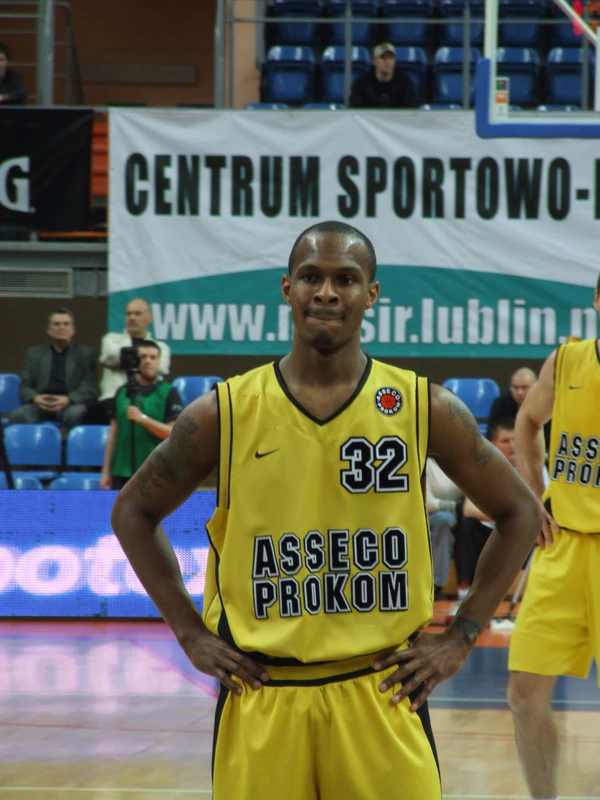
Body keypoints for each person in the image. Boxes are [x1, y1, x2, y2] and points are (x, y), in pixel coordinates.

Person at [111, 221, 540, 800]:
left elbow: (520, 512)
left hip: (382, 690)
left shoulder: (423, 406)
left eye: (346, 279)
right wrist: (189, 633)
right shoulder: (225, 411)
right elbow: (132, 513)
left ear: (372, 293)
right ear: (287, 288)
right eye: (311, 276)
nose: (327, 293)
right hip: (262, 693)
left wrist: (462, 635)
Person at [507, 277, 600, 800]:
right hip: (562, 546)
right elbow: (527, 421)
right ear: (597, 300)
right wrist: (532, 496)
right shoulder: (565, 362)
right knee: (523, 694)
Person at [450, 419, 521, 614]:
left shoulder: (532, 468)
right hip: (490, 531)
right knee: (468, 526)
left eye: (515, 440)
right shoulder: (483, 469)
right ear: (494, 444)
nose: (512, 445)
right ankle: (463, 596)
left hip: (520, 535)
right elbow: (468, 509)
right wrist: (506, 516)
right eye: (505, 441)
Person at [100, 341, 182, 491]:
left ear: (158, 362)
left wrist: (143, 419)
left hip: (155, 472)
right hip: (121, 472)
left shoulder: (169, 392)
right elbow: (113, 435)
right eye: (143, 357)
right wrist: (105, 472)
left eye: (153, 357)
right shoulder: (121, 392)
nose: (147, 361)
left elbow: (172, 433)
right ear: (135, 361)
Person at [85, 298, 171, 424]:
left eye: (137, 314)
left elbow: (160, 368)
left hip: (147, 402)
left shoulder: (162, 347)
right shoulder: (111, 340)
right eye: (129, 314)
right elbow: (110, 355)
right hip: (112, 400)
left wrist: (126, 358)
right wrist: (146, 359)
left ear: (149, 318)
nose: (132, 318)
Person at [9, 308, 96, 428]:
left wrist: (68, 399)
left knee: (76, 414)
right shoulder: (34, 353)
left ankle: (68, 441)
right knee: (18, 415)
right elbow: (25, 386)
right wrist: (35, 398)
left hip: (70, 404)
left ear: (73, 330)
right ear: (48, 330)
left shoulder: (85, 353)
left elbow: (88, 387)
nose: (61, 327)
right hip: (40, 404)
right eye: (56, 324)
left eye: (66, 324)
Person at [426, 458, 463, 600]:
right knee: (444, 519)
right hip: (428, 515)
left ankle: (469, 588)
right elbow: (428, 503)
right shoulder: (425, 462)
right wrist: (458, 507)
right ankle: (437, 583)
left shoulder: (464, 459)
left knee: (472, 523)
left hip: (462, 513)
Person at [349, 42, 421, 109]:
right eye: (383, 58)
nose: (387, 62)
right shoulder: (362, 82)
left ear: (394, 61)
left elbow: (411, 109)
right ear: (374, 61)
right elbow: (354, 109)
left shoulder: (404, 81)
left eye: (390, 57)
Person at [485, 367, 537, 439]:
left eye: (524, 387)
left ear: (536, 387)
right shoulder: (501, 404)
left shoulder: (545, 404)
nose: (519, 392)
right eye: (515, 387)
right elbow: (492, 435)